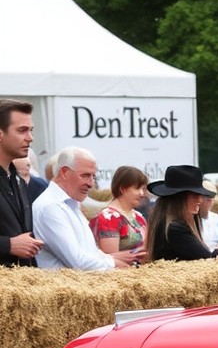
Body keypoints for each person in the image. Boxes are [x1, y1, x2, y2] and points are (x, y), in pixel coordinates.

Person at [34, 147, 142, 270]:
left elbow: (89, 253)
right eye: (85, 176)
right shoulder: (51, 207)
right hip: (66, 286)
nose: (91, 183)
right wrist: (113, 263)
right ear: (64, 172)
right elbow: (78, 262)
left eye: (93, 177)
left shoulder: (69, 205)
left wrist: (112, 259)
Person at [144, 165, 218, 262]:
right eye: (195, 195)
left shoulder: (167, 223)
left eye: (201, 195)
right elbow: (208, 260)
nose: (200, 200)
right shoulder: (175, 229)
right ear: (179, 197)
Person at [0, 99, 43, 266]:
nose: (30, 138)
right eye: (22, 130)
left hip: (20, 286)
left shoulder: (17, 178)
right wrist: (8, 245)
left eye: (31, 130)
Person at [90, 166, 149, 255]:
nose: (142, 193)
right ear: (123, 189)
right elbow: (112, 259)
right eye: (137, 188)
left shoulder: (139, 217)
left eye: (143, 189)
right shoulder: (108, 218)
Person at [196, 180, 218, 249]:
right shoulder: (190, 219)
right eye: (206, 198)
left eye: (212, 198)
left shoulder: (217, 218)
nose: (210, 201)